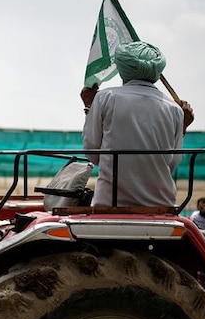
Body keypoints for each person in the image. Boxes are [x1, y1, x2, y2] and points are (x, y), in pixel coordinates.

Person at [80, 41, 195, 207]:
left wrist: (89, 107)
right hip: (162, 204)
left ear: (122, 69)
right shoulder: (175, 110)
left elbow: (92, 155)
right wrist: (182, 126)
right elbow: (172, 164)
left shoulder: (105, 98)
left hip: (110, 203)